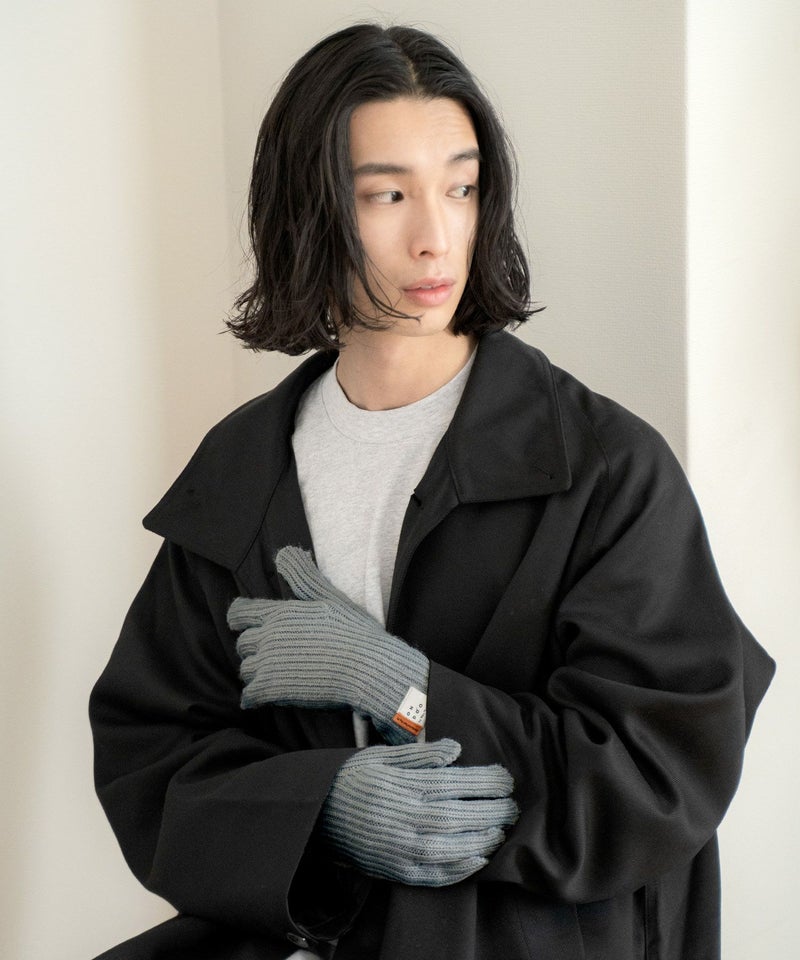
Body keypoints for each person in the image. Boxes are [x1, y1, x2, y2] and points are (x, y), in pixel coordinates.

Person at [89, 23, 775, 960]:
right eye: (387, 195)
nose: (435, 237)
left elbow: (656, 779)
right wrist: (323, 810)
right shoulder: (242, 474)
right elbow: (153, 759)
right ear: (309, 209)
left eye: (461, 188)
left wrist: (401, 687)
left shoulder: (604, 468)